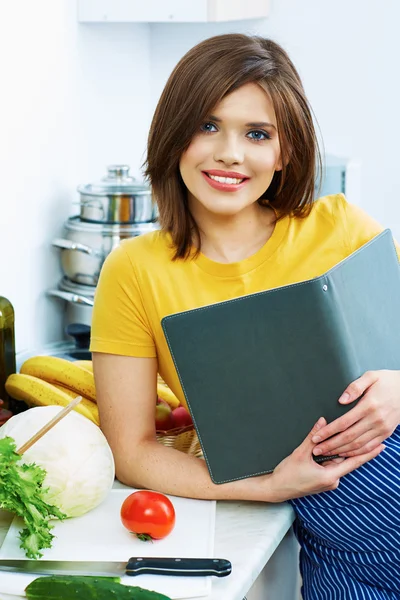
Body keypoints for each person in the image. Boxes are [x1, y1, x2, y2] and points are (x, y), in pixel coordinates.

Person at [90, 34, 400, 599]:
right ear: (173, 134)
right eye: (207, 125)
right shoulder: (133, 271)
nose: (230, 153)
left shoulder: (341, 229)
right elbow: (131, 452)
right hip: (341, 552)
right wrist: (268, 485)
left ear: (285, 153)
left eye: (257, 134)